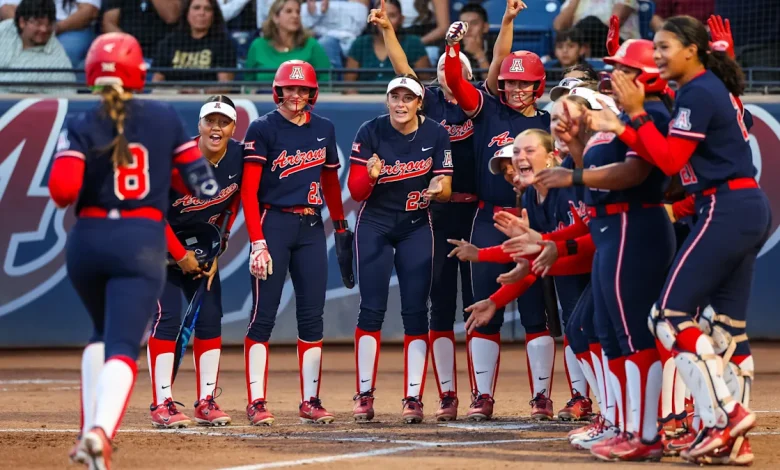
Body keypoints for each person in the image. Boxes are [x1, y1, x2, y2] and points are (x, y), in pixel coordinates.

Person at [593, 15, 768, 463]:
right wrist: (628, 125)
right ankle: (735, 440)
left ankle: (726, 416)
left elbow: (670, 160)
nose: (658, 55)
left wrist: (630, 119)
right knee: (729, 332)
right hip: (740, 205)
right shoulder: (700, 88)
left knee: (667, 318)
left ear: (692, 49)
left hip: (724, 207)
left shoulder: (698, 90)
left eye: (665, 46)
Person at [49, 32, 218, 470]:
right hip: (140, 241)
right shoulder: (163, 118)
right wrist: (164, 176)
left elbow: (63, 190)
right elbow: (204, 185)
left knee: (99, 335)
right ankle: (100, 435)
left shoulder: (83, 123)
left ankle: (90, 432)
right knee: (122, 344)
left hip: (87, 240)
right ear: (138, 73)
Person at [534, 39, 677, 461]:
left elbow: (636, 173)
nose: (612, 74)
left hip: (635, 224)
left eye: (622, 68)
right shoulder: (621, 119)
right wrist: (575, 150)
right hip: (615, 226)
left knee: (632, 334)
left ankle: (646, 432)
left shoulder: (649, 114)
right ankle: (627, 425)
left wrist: (571, 177)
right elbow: (598, 174)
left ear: (643, 76)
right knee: (612, 334)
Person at [368, 0, 476, 422]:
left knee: (478, 302)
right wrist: (387, 31)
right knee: (441, 304)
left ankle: (480, 392)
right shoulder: (426, 101)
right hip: (437, 215)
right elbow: (403, 72)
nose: (449, 82)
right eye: (445, 77)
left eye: (458, 75)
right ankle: (447, 394)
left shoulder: (478, 102)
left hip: (477, 212)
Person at [442, 7, 551, 420]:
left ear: (538, 85)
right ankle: (482, 396)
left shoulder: (548, 122)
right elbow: (455, 80)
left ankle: (542, 397)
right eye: (509, 82)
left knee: (536, 313)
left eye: (523, 82)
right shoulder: (488, 110)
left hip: (536, 218)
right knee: (484, 306)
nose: (516, 88)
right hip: (489, 219)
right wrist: (452, 49)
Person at [241, 60, 350, 426]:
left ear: (312, 92)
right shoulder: (263, 127)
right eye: (290, 88)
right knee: (263, 316)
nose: (296, 95)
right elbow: (249, 191)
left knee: (311, 315)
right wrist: (257, 241)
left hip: (310, 227)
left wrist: (339, 225)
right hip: (274, 223)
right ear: (278, 90)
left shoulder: (324, 128)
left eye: (302, 89)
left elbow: (331, 181)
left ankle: (310, 400)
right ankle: (256, 401)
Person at [348, 74, 453, 424]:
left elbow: (446, 186)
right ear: (387, 100)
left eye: (408, 98)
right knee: (371, 309)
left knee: (415, 311)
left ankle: (413, 397)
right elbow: (357, 191)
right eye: (395, 96)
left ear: (419, 102)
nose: (401, 103)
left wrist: (439, 187)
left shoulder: (436, 133)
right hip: (375, 224)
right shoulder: (370, 131)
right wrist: (371, 176)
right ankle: (364, 394)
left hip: (415, 226)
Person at [146, 95, 243, 429]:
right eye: (210, 121)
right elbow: (151, 212)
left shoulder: (239, 157)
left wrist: (219, 246)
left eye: (224, 122)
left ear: (233, 127)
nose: (216, 128)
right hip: (158, 243)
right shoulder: (176, 161)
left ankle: (206, 401)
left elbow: (232, 205)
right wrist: (179, 255)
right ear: (199, 125)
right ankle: (161, 403)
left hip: (200, 248)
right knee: (169, 318)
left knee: (210, 319)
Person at [152, 0, 237, 91]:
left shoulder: (224, 43)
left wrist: (200, 92)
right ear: (187, 13)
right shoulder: (170, 42)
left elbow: (225, 85)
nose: (201, 13)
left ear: (213, 15)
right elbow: (156, 82)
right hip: (174, 99)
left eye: (207, 9)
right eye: (196, 8)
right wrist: (178, 92)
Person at [244, 0, 331, 83]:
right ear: (275, 17)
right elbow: (248, 84)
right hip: (264, 97)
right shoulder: (258, 46)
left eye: (298, 12)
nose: (295, 16)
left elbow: (326, 80)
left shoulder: (311, 45)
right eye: (289, 11)